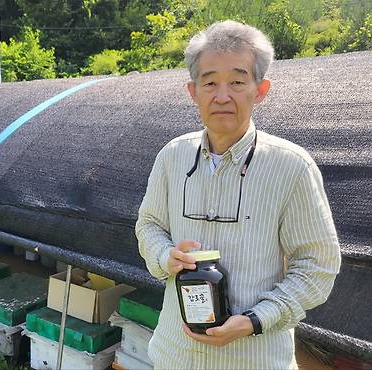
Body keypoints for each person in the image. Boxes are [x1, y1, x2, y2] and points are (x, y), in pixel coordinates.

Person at [135, 20, 341, 369]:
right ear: (193, 91)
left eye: (237, 81)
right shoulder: (173, 156)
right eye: (210, 81)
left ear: (260, 89)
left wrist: (255, 320)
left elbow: (317, 265)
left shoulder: (290, 167)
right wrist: (164, 255)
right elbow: (149, 225)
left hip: (253, 359)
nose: (222, 95)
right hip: (175, 355)